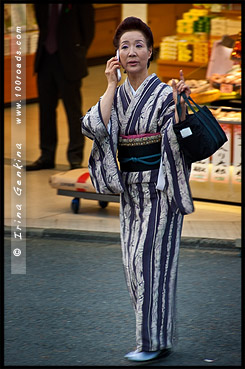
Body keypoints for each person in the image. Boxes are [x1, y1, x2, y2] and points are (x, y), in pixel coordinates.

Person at [81, 16, 194, 362]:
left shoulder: (162, 93)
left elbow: (178, 141)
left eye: (139, 45)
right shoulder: (115, 94)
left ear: (150, 53)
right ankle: (160, 338)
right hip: (131, 193)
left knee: (150, 263)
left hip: (160, 190)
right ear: (117, 54)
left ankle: (148, 344)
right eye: (125, 45)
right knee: (135, 266)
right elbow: (92, 126)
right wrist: (111, 85)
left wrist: (178, 108)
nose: (132, 51)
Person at [25, 4, 94, 171]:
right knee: (46, 111)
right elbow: (43, 25)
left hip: (69, 62)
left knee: (73, 111)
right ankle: (46, 156)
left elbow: (88, 30)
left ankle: (75, 157)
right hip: (45, 61)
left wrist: (77, 53)